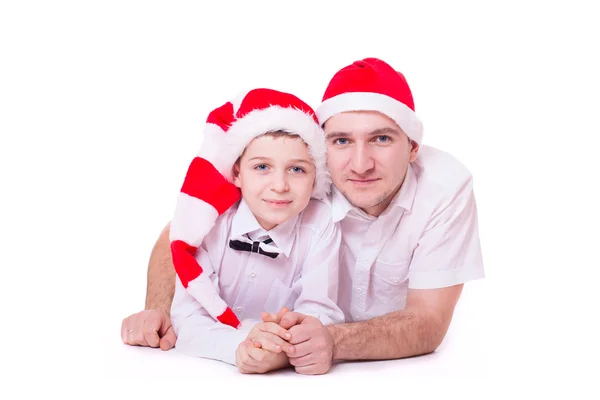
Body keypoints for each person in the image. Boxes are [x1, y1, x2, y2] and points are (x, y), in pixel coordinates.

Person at [121, 57, 485, 375]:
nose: (360, 165)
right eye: (341, 140)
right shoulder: (294, 174)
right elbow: (183, 232)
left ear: (413, 148)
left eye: (382, 139)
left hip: (381, 372)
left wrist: (327, 342)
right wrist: (158, 311)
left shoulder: (445, 188)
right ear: (322, 143)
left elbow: (429, 320)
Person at [150, 87, 344, 373]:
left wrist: (280, 346)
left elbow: (320, 311)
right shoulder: (209, 225)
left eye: (297, 169)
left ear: (316, 177)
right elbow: (187, 319)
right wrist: (239, 347)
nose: (280, 185)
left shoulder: (322, 225)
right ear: (237, 173)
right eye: (262, 167)